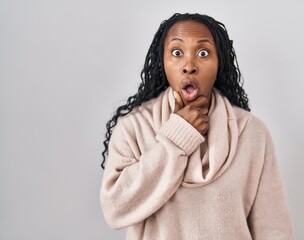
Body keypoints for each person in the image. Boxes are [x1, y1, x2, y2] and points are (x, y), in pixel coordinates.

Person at [100, 13, 293, 240]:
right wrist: (178, 136)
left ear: (219, 61)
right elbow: (114, 210)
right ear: (162, 61)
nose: (189, 66)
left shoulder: (252, 132)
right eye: (177, 52)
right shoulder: (133, 128)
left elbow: (273, 229)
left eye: (203, 53)